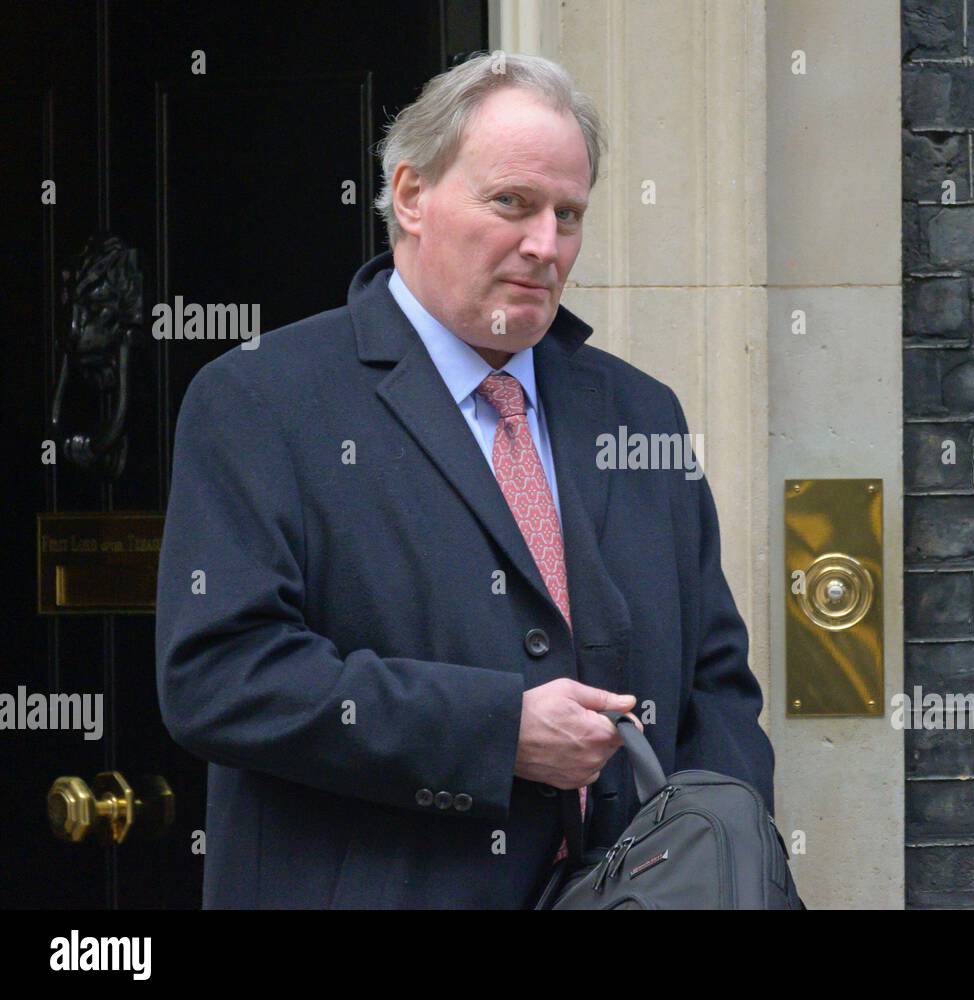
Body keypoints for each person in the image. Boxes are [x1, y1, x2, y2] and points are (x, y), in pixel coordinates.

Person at [155, 51, 775, 909]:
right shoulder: (263, 397)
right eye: (512, 203)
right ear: (411, 196)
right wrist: (497, 732)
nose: (545, 245)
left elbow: (718, 689)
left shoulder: (641, 414)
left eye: (569, 214)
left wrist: (719, 870)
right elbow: (219, 676)